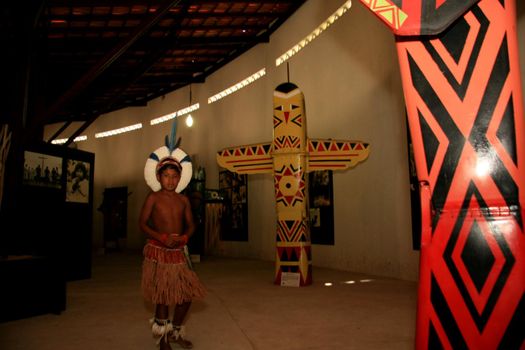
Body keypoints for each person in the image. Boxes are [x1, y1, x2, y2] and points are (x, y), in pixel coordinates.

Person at [139, 156, 206, 350]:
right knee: (163, 295)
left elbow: (191, 225)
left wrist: (185, 237)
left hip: (178, 252)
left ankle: (175, 331)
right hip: (158, 251)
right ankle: (163, 340)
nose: (170, 180)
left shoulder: (183, 200)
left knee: (186, 296)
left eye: (174, 176)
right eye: (166, 176)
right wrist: (160, 237)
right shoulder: (153, 197)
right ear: (158, 177)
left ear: (180, 178)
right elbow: (142, 223)